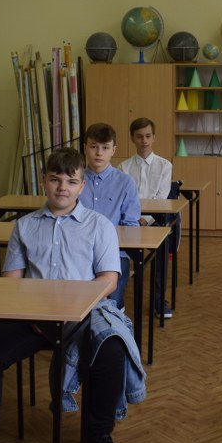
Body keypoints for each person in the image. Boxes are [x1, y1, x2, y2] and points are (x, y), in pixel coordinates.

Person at [0, 147, 145, 443]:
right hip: (34, 318)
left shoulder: (99, 225)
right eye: (55, 179)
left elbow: (108, 280)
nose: (62, 188)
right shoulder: (25, 225)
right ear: (43, 181)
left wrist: (75, 308)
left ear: (82, 186)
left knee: (112, 350)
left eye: (71, 181)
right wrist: (34, 312)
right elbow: (12, 281)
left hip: (84, 316)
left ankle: (97, 436)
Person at [119, 117, 177, 318]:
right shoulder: (124, 167)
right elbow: (123, 199)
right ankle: (115, 300)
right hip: (129, 221)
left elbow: (161, 198)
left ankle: (158, 300)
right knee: (112, 246)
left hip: (154, 220)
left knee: (162, 248)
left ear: (154, 138)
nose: (144, 140)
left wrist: (145, 219)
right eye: (139, 136)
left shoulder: (164, 165)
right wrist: (133, 220)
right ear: (132, 138)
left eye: (148, 136)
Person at [80, 122, 141, 308]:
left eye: (105, 148)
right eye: (93, 147)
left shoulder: (126, 183)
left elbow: (131, 225)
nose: (99, 153)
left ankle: (115, 316)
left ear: (113, 150)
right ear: (85, 148)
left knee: (111, 301)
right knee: (76, 297)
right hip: (78, 250)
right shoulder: (75, 180)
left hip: (115, 252)